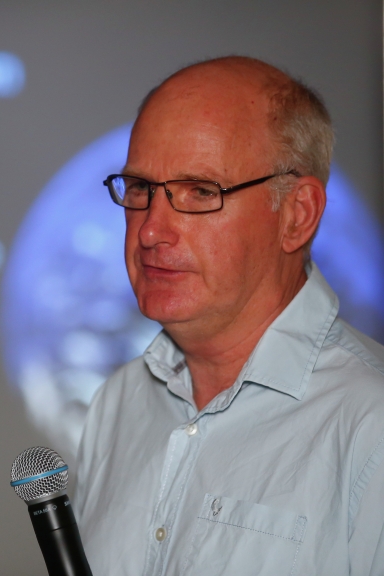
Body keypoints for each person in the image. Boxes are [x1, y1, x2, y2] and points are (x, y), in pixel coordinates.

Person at [74, 56, 384, 575]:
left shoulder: (369, 423)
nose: (150, 230)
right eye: (140, 189)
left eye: (199, 192)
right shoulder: (120, 402)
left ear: (297, 215)